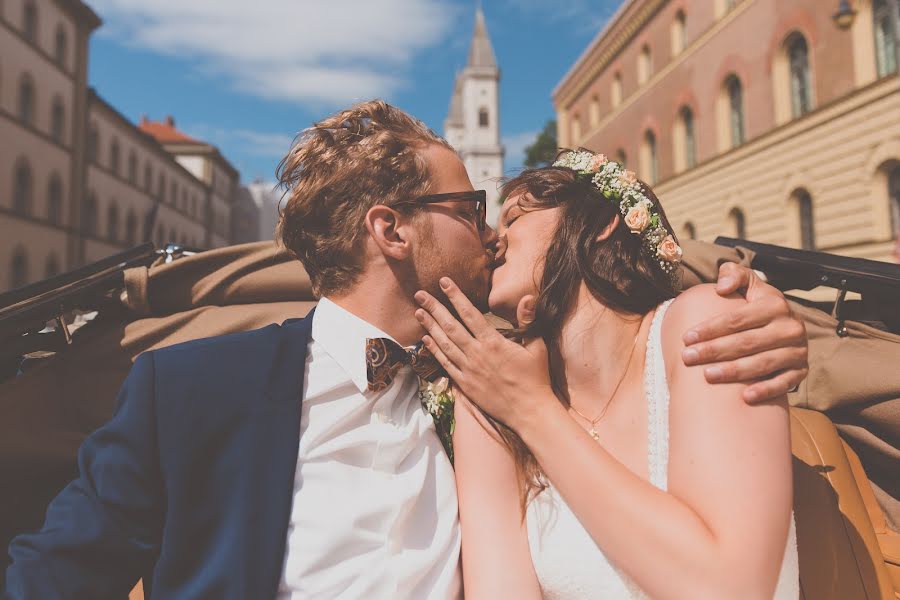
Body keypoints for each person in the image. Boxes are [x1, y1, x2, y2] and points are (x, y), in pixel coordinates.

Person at [5, 104, 806, 599]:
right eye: (469, 208)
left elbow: (616, 298)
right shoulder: (186, 389)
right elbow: (57, 572)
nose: (492, 230)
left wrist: (756, 297)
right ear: (391, 230)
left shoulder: (497, 388)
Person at [414, 151, 801, 599]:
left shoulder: (701, 325)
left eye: (516, 217)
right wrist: (515, 404)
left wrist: (533, 410)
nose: (495, 242)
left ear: (600, 222)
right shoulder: (487, 401)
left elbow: (729, 588)